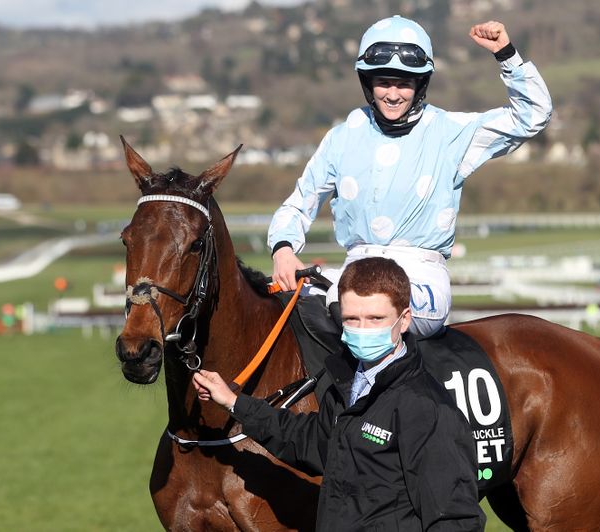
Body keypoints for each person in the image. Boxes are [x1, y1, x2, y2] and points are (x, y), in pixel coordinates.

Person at [268, 15, 553, 337]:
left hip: (420, 281)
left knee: (360, 302)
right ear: (367, 83)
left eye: (404, 83)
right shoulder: (341, 137)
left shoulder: (450, 132)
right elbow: (297, 206)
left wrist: (506, 54)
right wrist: (283, 250)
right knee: (276, 303)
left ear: (420, 85)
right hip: (353, 273)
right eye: (383, 82)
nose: (393, 94)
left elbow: (533, 115)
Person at [193, 257, 484, 531]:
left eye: (375, 318)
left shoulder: (428, 410)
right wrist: (234, 402)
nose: (363, 330)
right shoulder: (347, 384)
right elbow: (308, 441)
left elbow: (454, 519)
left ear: (404, 319)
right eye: (352, 319)